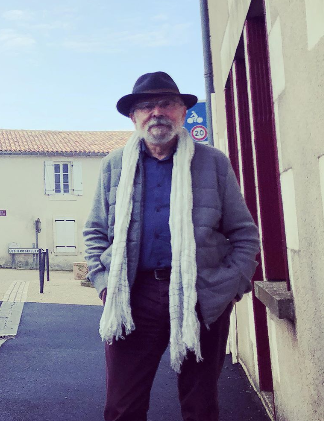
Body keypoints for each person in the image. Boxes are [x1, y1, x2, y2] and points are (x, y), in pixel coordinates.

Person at [83, 71, 261, 421]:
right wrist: (105, 286)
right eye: (146, 106)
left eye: (167, 103)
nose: (157, 112)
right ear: (133, 116)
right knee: (122, 407)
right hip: (133, 297)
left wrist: (228, 287)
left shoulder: (213, 163)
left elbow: (244, 235)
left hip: (201, 297)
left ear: (182, 112)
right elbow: (95, 233)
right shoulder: (114, 166)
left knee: (200, 407)